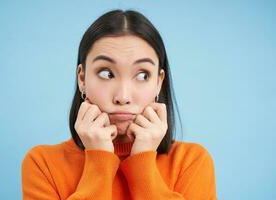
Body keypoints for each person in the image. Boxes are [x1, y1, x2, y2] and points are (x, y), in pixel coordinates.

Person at [21, 9, 217, 200]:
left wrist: (143, 163)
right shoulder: (43, 163)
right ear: (82, 78)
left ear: (159, 82)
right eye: (106, 73)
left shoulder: (192, 162)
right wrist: (99, 161)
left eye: (142, 75)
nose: (123, 97)